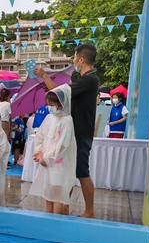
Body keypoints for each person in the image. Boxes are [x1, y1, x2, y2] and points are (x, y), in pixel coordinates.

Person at [34, 43, 99, 218]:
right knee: (68, 170)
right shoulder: (85, 80)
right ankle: (63, 206)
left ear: (81, 59)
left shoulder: (89, 80)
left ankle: (89, 211)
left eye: (75, 58)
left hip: (81, 133)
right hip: (76, 133)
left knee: (81, 171)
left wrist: (44, 75)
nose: (74, 61)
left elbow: (59, 93)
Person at [29, 85, 76, 215]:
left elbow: (63, 145)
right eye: (48, 104)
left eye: (52, 104)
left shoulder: (67, 120)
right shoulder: (49, 118)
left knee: (57, 194)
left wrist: (47, 158)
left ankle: (55, 219)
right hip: (46, 162)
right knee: (48, 191)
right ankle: (48, 217)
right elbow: (40, 136)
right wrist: (39, 151)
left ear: (61, 104)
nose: (50, 107)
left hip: (58, 164)